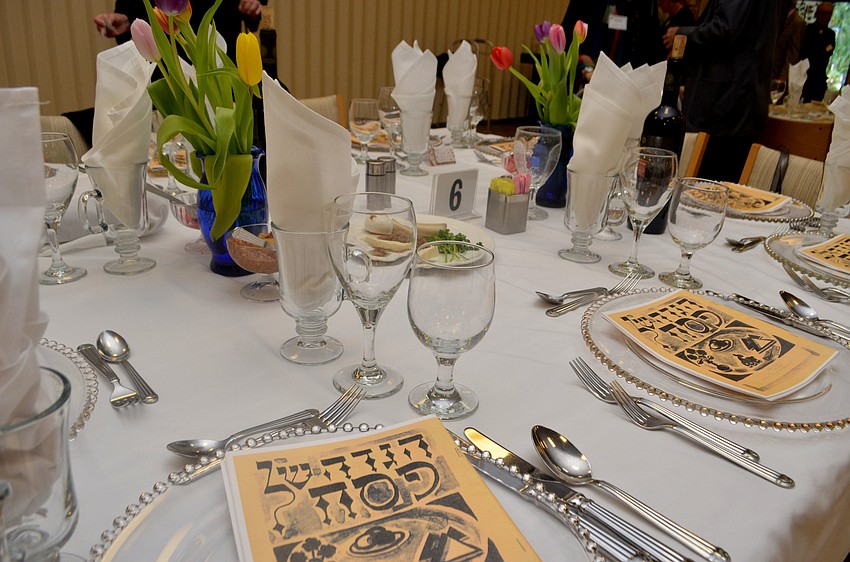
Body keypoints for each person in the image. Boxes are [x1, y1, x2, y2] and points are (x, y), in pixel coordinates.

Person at [663, 0, 782, 182]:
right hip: (738, 98)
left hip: (724, 103)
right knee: (721, 184)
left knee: (706, 186)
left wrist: (681, 33)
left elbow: (726, 28)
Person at [94, 0, 265, 61]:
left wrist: (250, 7)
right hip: (168, 70)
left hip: (221, 61)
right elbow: (131, 12)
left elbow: (252, 7)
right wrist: (126, 22)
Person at [800, 1, 836, 102]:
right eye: (824, 13)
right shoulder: (807, 30)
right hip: (805, 76)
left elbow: (828, 52)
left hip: (819, 79)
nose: (826, 17)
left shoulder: (830, 34)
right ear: (817, 13)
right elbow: (806, 52)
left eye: (829, 14)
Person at [772, 0, 805, 82]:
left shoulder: (797, 22)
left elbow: (793, 52)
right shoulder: (776, 15)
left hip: (779, 69)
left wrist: (783, 75)